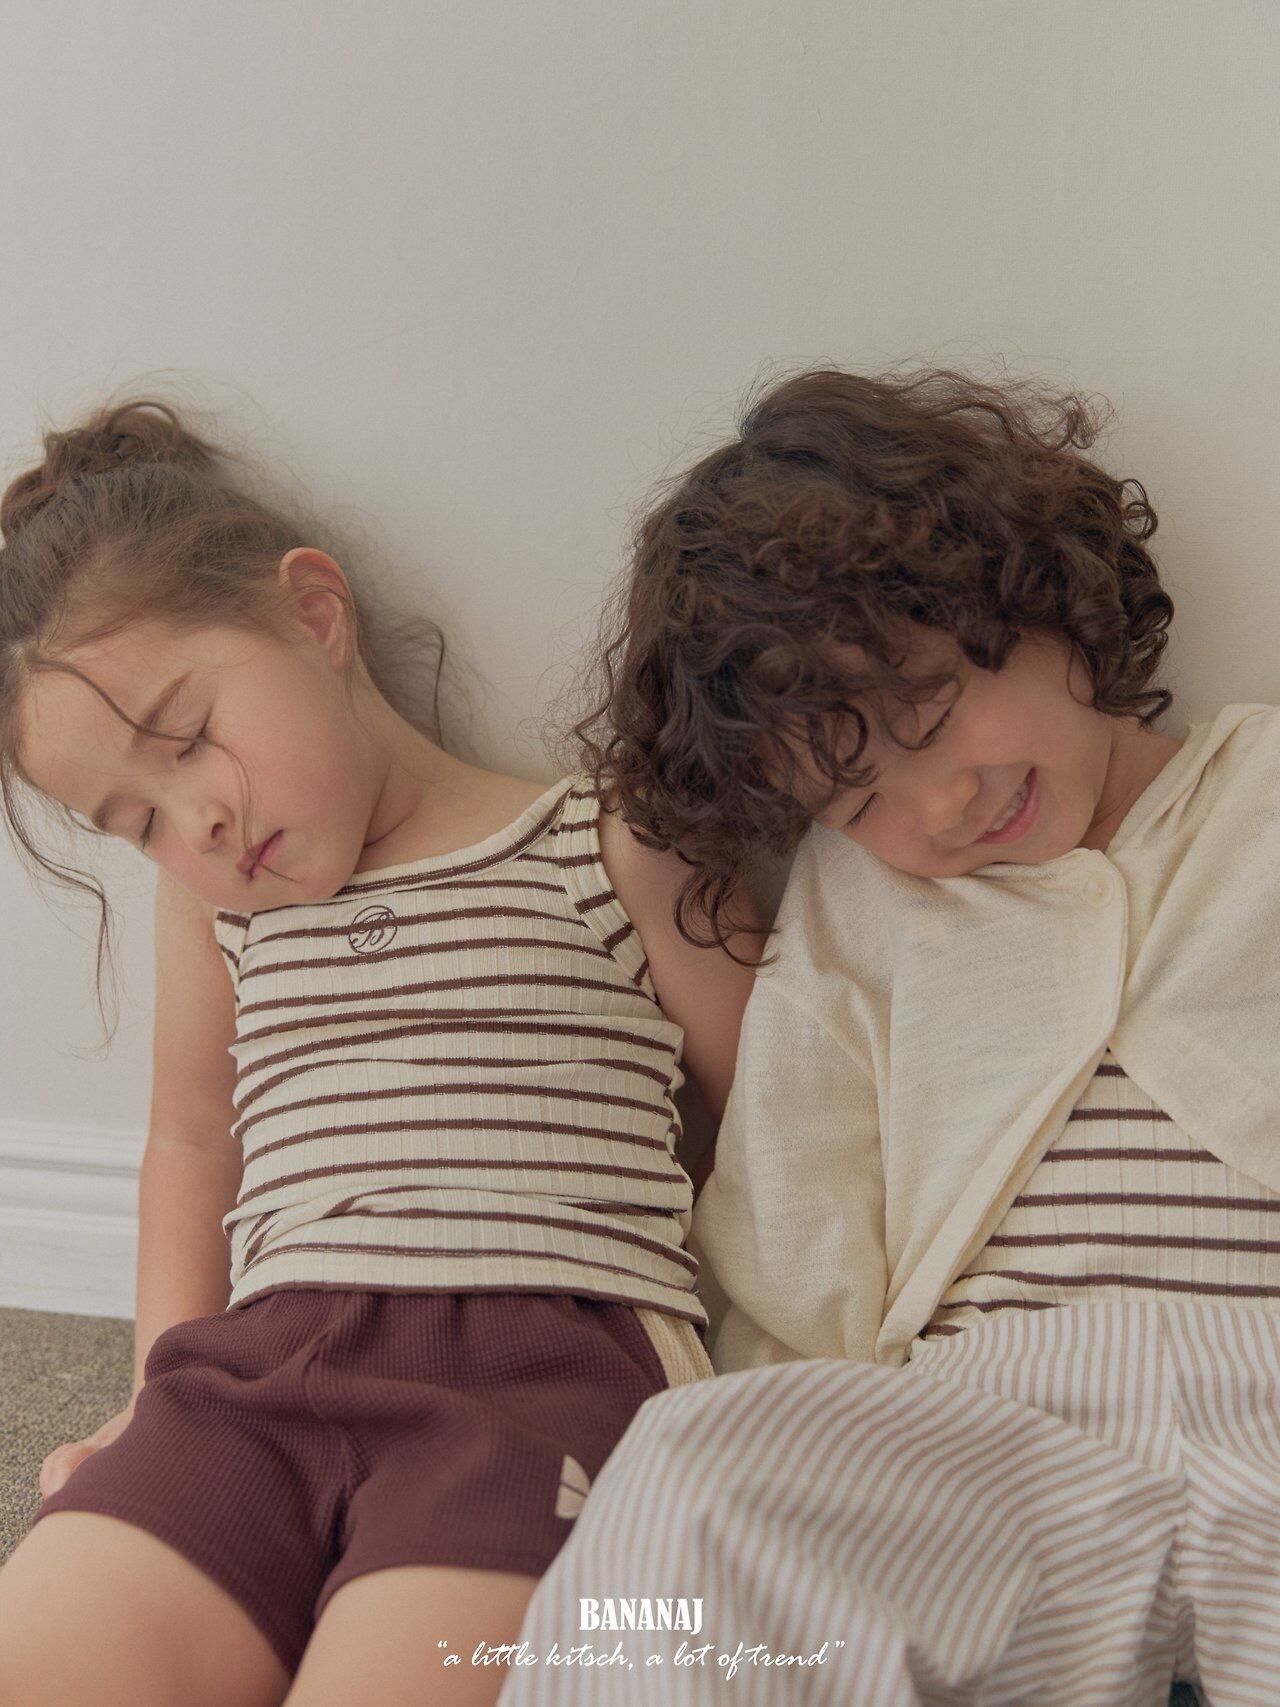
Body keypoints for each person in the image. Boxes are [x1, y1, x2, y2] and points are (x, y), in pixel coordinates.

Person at [500, 367, 1277, 1705]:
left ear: (1040, 601)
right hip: (996, 1410)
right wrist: (793, 1407)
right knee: (691, 1483)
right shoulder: (865, 904)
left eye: (931, 710)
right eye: (858, 801)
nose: (938, 806)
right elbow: (796, 1193)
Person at [0, 397, 759, 1707]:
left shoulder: (609, 840)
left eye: (187, 740)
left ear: (314, 614)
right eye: (138, 821)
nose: (197, 824)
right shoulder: (218, 916)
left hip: (540, 1369)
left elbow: (780, 1117)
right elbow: (192, 1139)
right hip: (255, 1370)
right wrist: (154, 1384)